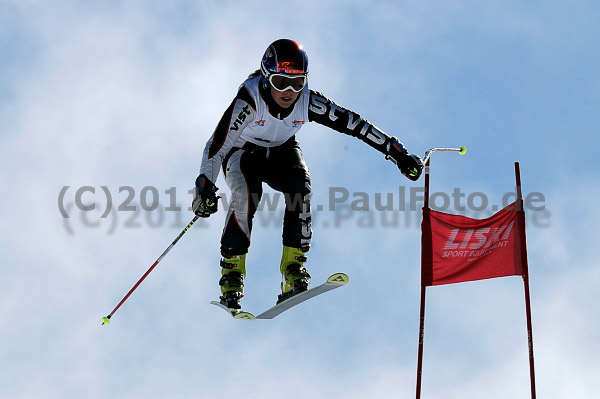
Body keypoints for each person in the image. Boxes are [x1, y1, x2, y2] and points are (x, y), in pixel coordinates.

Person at [193, 39, 423, 312]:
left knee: (301, 188)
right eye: (281, 83)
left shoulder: (308, 102)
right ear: (266, 79)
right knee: (246, 195)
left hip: (281, 150)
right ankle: (232, 271)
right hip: (243, 152)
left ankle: (293, 267)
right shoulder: (249, 100)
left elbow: (354, 124)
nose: (289, 92)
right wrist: (204, 185)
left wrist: (397, 153)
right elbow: (216, 144)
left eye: (297, 83)